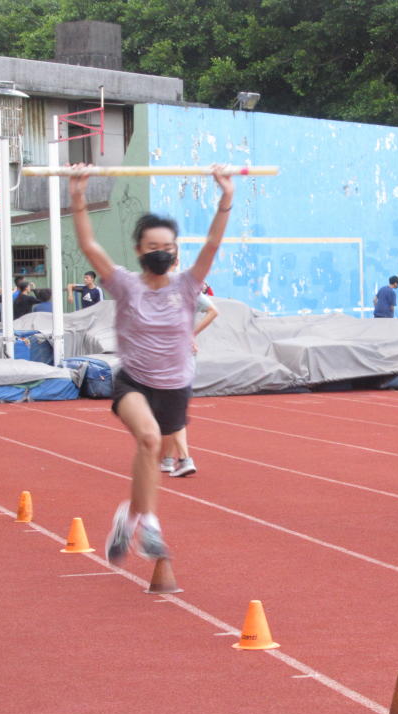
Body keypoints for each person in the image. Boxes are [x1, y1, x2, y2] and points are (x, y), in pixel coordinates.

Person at [69, 163, 234, 564]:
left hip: (176, 385)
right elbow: (91, 248)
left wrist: (226, 198)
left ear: (175, 250)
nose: (163, 251)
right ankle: (152, 525)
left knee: (153, 455)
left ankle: (129, 517)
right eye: (155, 246)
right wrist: (77, 196)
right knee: (147, 440)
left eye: (169, 246)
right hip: (134, 382)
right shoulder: (125, 284)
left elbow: (212, 243)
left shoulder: (188, 284)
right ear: (140, 249)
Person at [159, 291, 219, 477]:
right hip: (182, 355)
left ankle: (184, 459)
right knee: (172, 410)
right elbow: (213, 311)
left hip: (171, 356)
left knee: (170, 411)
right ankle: (168, 459)